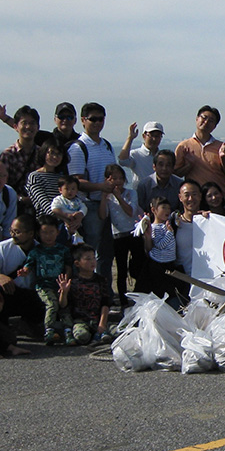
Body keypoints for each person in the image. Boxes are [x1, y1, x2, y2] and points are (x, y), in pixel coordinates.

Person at [66, 102, 117, 287]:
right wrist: (101, 187)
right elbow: (75, 181)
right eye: (92, 119)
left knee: (106, 254)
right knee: (89, 254)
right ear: (83, 120)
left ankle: (104, 293)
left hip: (107, 205)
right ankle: (84, 290)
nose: (97, 122)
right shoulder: (78, 148)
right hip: (89, 207)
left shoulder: (107, 145)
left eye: (100, 119)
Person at [0, 214, 46, 339]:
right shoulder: (3, 248)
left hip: (33, 294)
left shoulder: (41, 250)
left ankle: (30, 324)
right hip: (10, 293)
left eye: (17, 232)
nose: (13, 235)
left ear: (30, 234)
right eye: (11, 231)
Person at [0, 100, 81, 166]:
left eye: (69, 117)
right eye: (61, 116)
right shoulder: (45, 138)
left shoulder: (81, 141)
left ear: (75, 120)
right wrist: (4, 118)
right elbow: (25, 129)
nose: (65, 120)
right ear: (55, 119)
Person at [25, 216, 72, 346]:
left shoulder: (63, 250)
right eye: (44, 232)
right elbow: (28, 265)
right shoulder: (35, 251)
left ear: (57, 232)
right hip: (43, 285)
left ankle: (68, 331)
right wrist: (24, 271)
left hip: (61, 284)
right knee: (52, 304)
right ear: (38, 234)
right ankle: (49, 330)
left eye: (51, 232)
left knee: (65, 306)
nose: (48, 236)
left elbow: (68, 266)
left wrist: (66, 281)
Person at [99, 164, 142, 302]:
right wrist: (104, 197)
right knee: (121, 269)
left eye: (120, 178)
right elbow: (102, 215)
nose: (118, 181)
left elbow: (131, 212)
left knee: (136, 266)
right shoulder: (107, 196)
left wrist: (119, 197)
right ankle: (123, 300)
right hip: (118, 235)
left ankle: (138, 294)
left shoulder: (131, 193)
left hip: (133, 233)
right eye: (114, 178)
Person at [57, 245, 114, 346]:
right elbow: (63, 305)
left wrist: (102, 324)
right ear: (77, 263)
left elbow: (105, 303)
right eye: (88, 259)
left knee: (120, 332)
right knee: (82, 336)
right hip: (80, 320)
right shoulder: (72, 282)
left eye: (94, 258)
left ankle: (101, 333)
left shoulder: (100, 280)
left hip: (98, 319)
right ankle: (95, 336)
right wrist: (64, 292)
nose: (92, 261)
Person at [0, 105, 44, 217]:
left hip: (39, 213)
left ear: (38, 127)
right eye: (24, 123)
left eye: (32, 123)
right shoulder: (8, 155)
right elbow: (0, 186)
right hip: (13, 212)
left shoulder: (43, 154)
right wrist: (21, 199)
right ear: (15, 126)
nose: (28, 126)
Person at [174, 106, 225, 202]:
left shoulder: (221, 147)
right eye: (204, 117)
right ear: (197, 119)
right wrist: (188, 165)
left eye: (211, 120)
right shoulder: (184, 146)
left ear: (215, 126)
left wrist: (223, 158)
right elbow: (175, 174)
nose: (206, 122)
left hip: (220, 198)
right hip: (195, 199)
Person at [140, 196, 180, 301]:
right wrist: (169, 233)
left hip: (169, 262)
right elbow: (160, 245)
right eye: (163, 208)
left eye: (168, 208)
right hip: (159, 263)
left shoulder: (166, 225)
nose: (167, 211)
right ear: (154, 210)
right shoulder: (154, 228)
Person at [25, 141, 68, 217]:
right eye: (51, 153)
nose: (55, 157)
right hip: (47, 222)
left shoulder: (62, 177)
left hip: (66, 221)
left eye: (59, 154)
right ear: (44, 153)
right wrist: (65, 217)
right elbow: (44, 203)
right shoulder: (35, 176)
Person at [137, 150, 184, 217]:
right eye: (161, 165)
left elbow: (182, 209)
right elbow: (141, 209)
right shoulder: (144, 185)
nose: (164, 168)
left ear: (173, 167)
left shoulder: (180, 185)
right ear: (154, 166)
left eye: (168, 165)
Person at [50, 175, 87, 243]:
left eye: (73, 189)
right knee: (62, 239)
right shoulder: (59, 199)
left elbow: (84, 208)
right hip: (63, 223)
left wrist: (80, 214)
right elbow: (55, 209)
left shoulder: (78, 201)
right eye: (67, 189)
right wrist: (66, 215)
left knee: (82, 237)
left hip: (76, 224)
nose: (70, 191)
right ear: (60, 190)